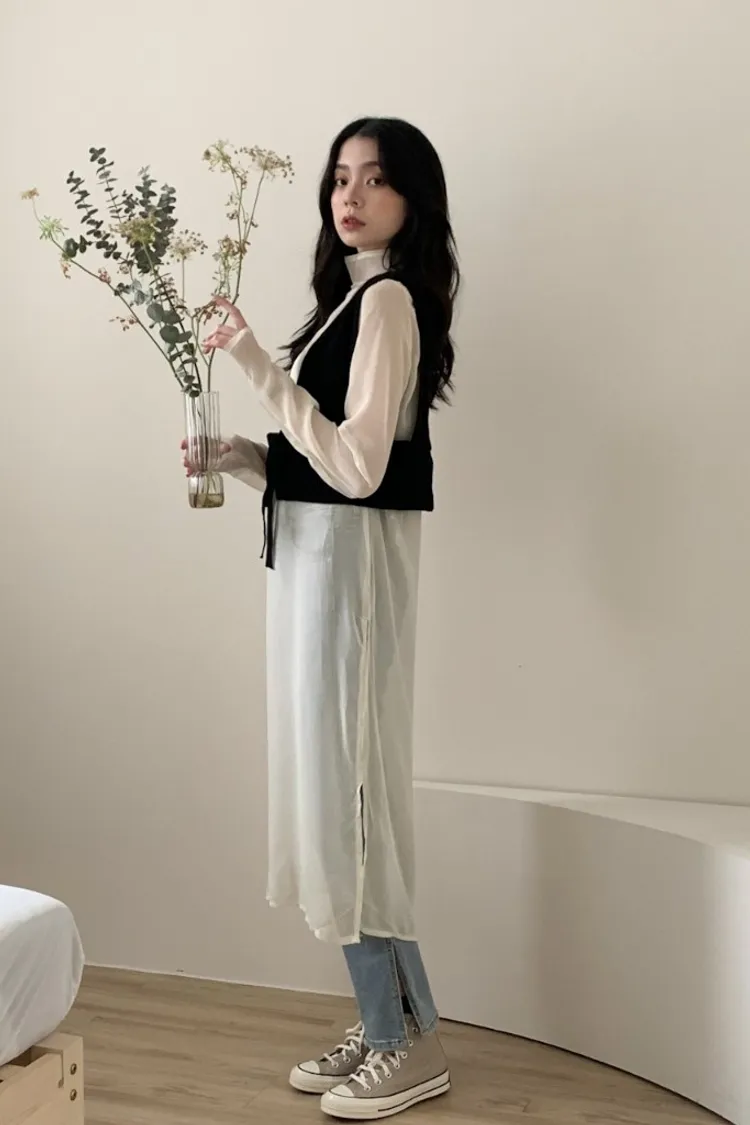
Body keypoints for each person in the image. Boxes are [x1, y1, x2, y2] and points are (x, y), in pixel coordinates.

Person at [194, 115, 460, 1120]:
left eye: (375, 179)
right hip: (318, 580)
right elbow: (323, 458)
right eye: (341, 177)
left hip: (349, 594)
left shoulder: (388, 301)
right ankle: (398, 1023)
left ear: (411, 200)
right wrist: (239, 456)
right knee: (340, 801)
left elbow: (359, 467)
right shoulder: (353, 300)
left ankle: (403, 1042)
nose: (350, 195)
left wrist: (254, 362)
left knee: (349, 805)